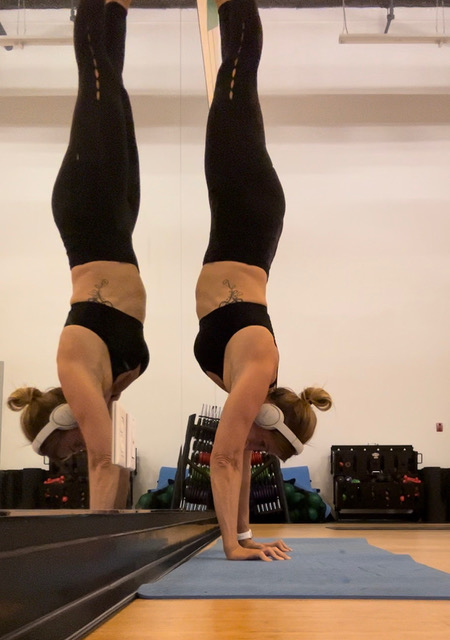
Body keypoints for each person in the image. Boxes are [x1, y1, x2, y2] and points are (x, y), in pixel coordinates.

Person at [194, 0, 332, 560]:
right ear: (272, 416)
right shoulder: (258, 370)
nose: (256, 447)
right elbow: (223, 460)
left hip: (241, 216)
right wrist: (232, 548)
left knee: (236, 91)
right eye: (266, 442)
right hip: (248, 210)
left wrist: (247, 534)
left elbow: (238, 463)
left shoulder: (250, 388)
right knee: (237, 79)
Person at [7, 0, 148, 510]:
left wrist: (95, 544)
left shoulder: (73, 371)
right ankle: (117, 10)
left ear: (60, 421)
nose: (68, 456)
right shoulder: (100, 389)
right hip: (116, 224)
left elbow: (103, 461)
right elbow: (113, 454)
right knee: (114, 96)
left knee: (96, 83)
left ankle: (95, 7)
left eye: (60, 447)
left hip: (88, 212)